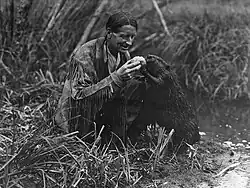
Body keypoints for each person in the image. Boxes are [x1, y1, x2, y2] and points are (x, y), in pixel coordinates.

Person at [55, 11, 147, 144]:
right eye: (124, 36)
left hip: (102, 113)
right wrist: (117, 78)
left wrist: (143, 69)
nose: (129, 42)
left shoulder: (123, 55)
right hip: (75, 119)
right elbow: (79, 98)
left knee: (140, 85)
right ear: (109, 33)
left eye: (132, 37)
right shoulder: (86, 54)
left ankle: (120, 138)